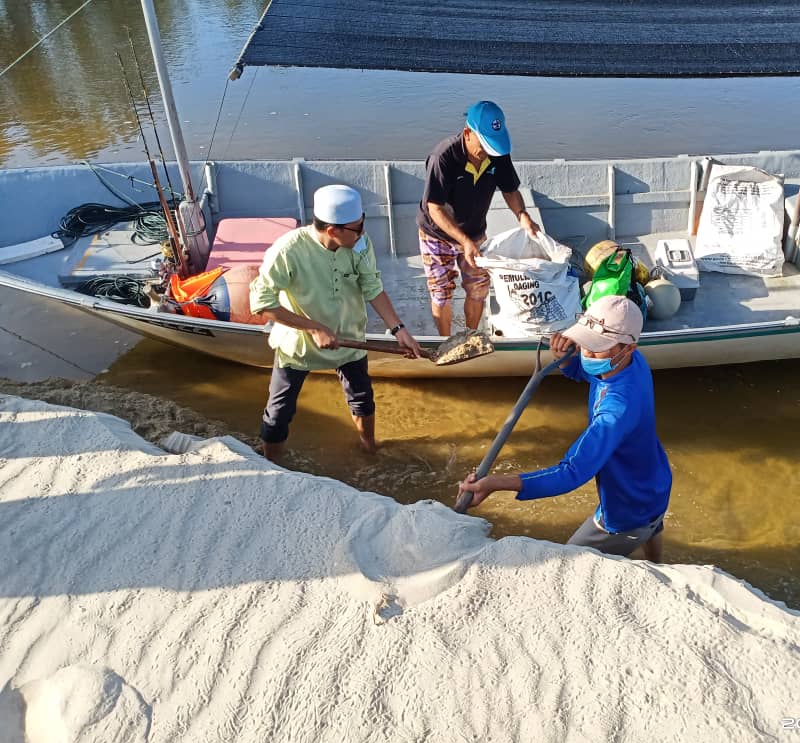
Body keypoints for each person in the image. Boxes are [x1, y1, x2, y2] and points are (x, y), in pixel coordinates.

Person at [458, 295, 672, 561]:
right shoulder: (631, 365)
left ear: (628, 347)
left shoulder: (616, 411)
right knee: (651, 529)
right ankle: (659, 564)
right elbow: (590, 371)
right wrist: (568, 362)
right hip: (654, 482)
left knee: (568, 557)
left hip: (627, 508)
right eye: (585, 343)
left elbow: (571, 473)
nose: (588, 354)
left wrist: (496, 483)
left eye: (598, 348)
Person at [249, 184, 422, 460]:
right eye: (357, 228)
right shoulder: (288, 250)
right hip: (299, 346)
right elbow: (261, 303)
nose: (363, 233)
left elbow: (372, 287)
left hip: (349, 338)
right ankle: (272, 465)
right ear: (333, 230)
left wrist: (399, 330)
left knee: (362, 400)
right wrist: (314, 327)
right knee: (279, 412)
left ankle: (369, 449)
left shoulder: (360, 245)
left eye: (362, 223)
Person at [417, 100, 542, 336]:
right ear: (467, 133)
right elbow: (435, 208)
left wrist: (522, 215)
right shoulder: (443, 157)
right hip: (437, 234)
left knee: (478, 288)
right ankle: (446, 342)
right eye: (484, 145)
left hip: (475, 232)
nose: (488, 152)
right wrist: (463, 242)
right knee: (441, 290)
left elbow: (510, 189)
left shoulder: (497, 155)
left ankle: (470, 337)